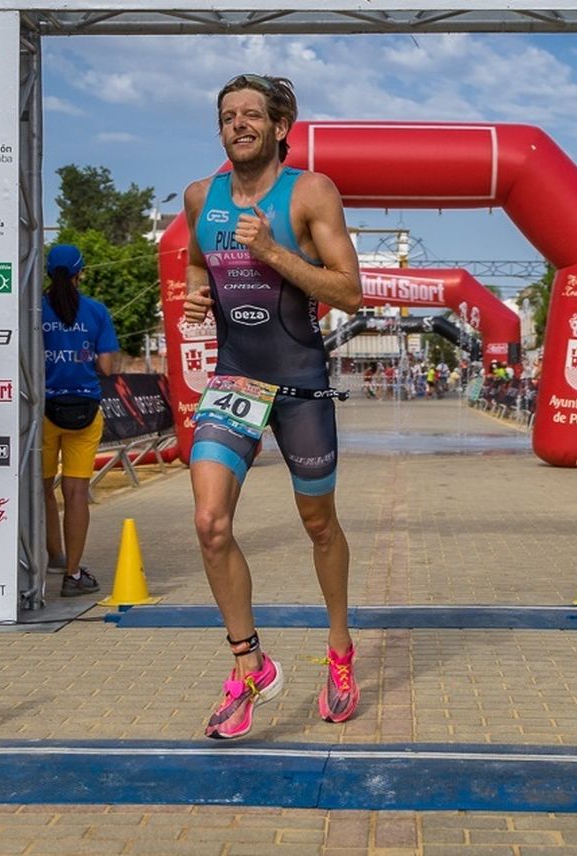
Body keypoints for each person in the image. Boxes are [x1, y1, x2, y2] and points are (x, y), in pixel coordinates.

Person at [182, 73, 363, 739]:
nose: (238, 125)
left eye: (251, 115)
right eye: (227, 116)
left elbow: (350, 294)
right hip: (236, 379)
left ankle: (340, 651)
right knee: (209, 523)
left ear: (280, 126)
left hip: (300, 382)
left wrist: (271, 251)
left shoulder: (311, 193)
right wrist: (197, 294)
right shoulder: (201, 196)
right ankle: (248, 664)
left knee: (319, 525)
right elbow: (197, 263)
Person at [41, 243, 120, 597]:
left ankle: (50, 555)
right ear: (80, 273)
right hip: (85, 412)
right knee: (75, 493)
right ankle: (72, 573)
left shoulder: (33, 310)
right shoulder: (96, 311)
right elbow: (106, 367)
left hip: (39, 413)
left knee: (40, 490)